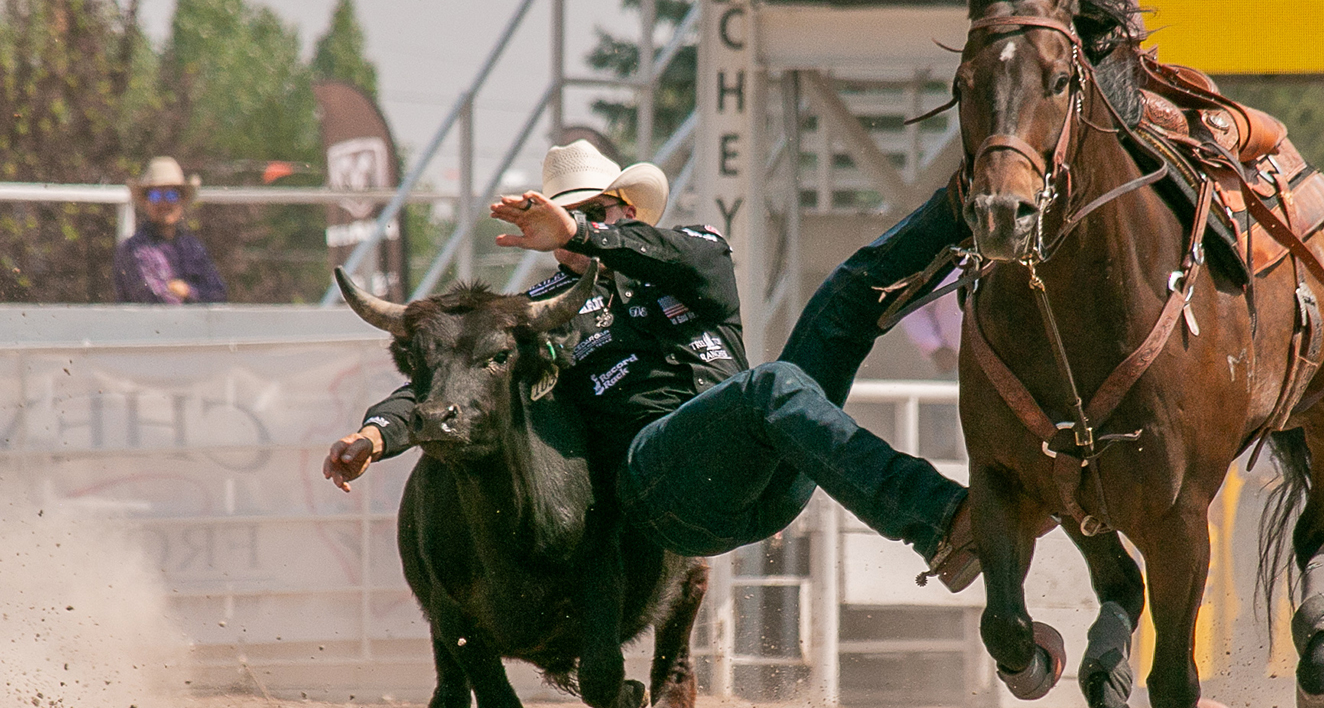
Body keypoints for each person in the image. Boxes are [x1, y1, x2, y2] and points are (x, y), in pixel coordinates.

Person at [324, 139, 978, 587]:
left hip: (767, 470)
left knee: (846, 295)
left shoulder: (693, 251)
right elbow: (458, 382)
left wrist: (582, 234)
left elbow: (688, 259)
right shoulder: (534, 312)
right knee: (773, 386)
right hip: (662, 490)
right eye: (564, 218)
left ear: (625, 212)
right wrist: (378, 432)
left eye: (589, 212)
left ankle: (975, 196)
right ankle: (944, 517)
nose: (573, 229)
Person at [112, 156, 227, 304]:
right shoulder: (133, 249)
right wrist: (196, 295)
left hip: (195, 326)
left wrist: (186, 291)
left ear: (181, 200)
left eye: (171, 195)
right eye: (155, 196)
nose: (164, 203)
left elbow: (219, 293)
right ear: (145, 202)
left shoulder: (193, 246)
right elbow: (155, 299)